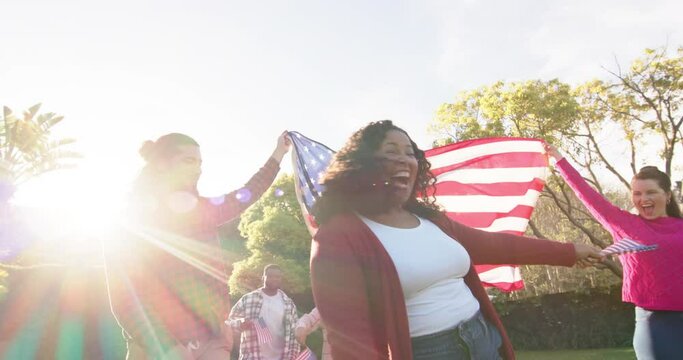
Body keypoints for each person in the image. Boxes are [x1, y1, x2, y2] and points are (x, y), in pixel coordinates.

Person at [309, 120, 602, 360]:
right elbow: (348, 338)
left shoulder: (431, 220)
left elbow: (498, 245)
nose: (404, 159)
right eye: (390, 151)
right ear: (363, 164)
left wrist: (570, 252)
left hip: (484, 338)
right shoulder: (337, 236)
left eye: (410, 152)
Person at [104, 132, 291, 359]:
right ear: (162, 164)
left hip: (211, 341)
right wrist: (167, 347)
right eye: (189, 160)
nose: (198, 169)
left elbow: (247, 194)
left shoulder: (205, 210)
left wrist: (279, 153)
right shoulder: (132, 220)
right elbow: (124, 297)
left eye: (200, 162)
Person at [546, 144, 683, 360]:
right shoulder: (625, 224)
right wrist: (559, 160)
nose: (643, 199)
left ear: (667, 195)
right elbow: (588, 196)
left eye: (651, 192)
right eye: (637, 193)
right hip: (655, 325)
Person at [227, 264, 299, 360]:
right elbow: (228, 321)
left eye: (277, 276)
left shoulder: (288, 304)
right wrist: (240, 323)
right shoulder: (248, 299)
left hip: (281, 357)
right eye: (270, 276)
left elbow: (294, 333)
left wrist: (293, 356)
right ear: (263, 278)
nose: (274, 279)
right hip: (253, 356)